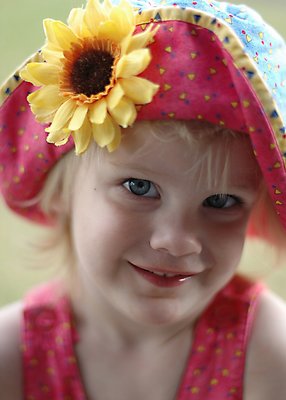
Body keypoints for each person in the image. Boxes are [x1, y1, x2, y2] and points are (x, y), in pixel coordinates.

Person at [0, 0, 286, 398]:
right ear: (60, 191)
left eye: (220, 201)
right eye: (140, 188)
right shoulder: (13, 355)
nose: (178, 240)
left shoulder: (267, 351)